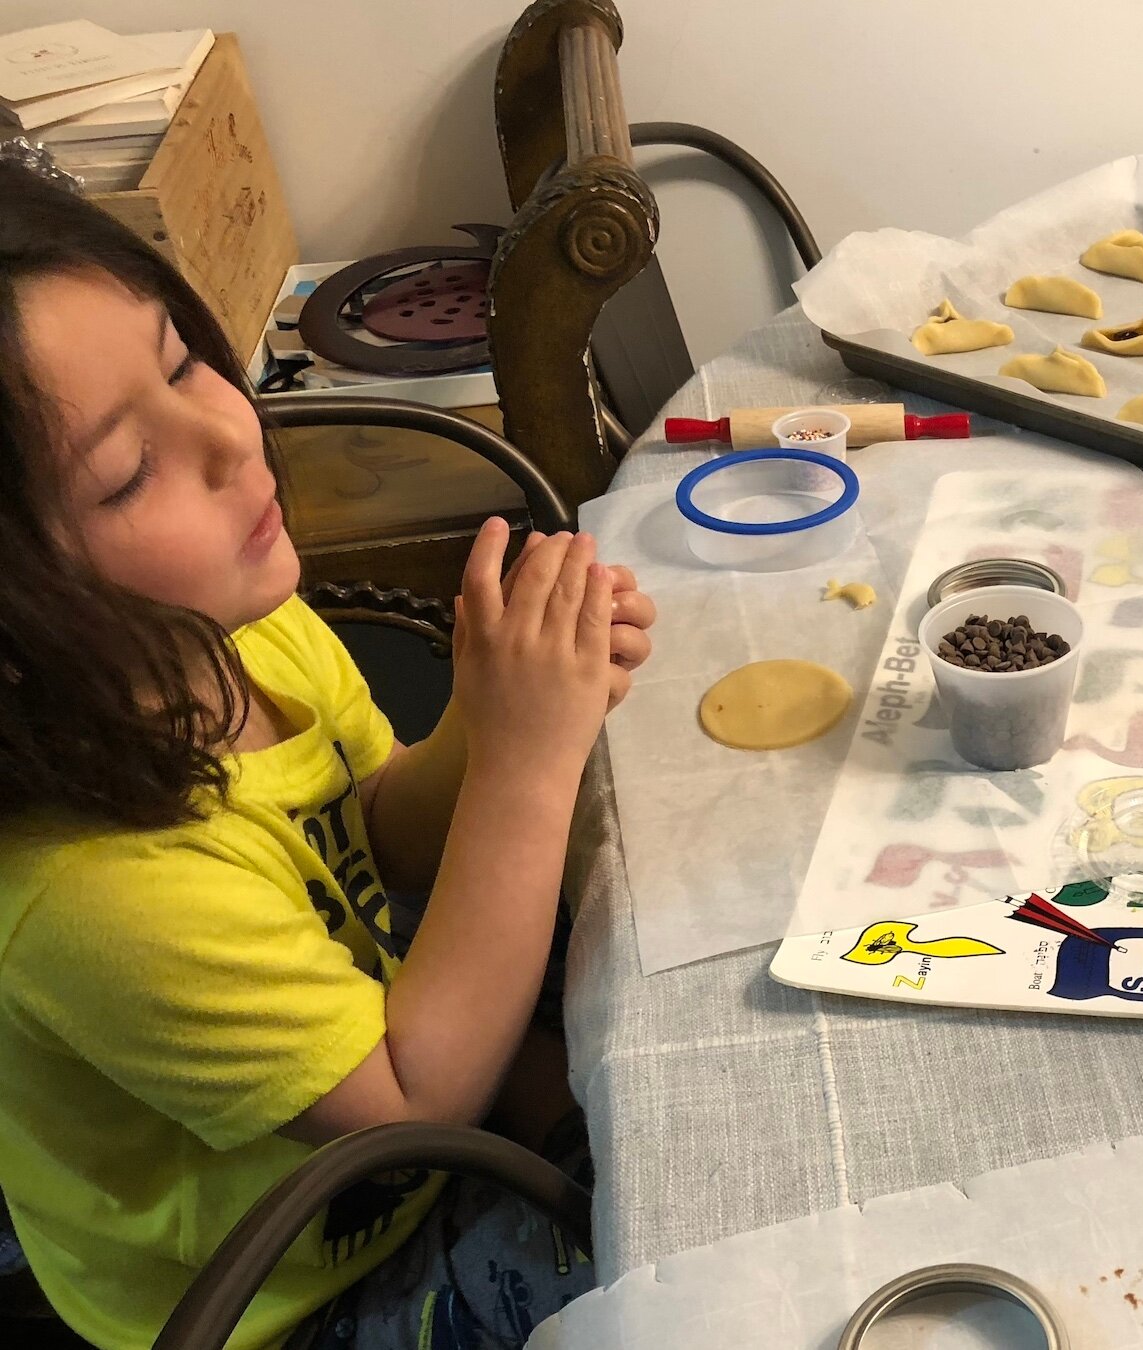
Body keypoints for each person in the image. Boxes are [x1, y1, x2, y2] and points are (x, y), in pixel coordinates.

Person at [0, 162, 655, 1349]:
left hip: (377, 1076)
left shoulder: (226, 622)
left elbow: (386, 829)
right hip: (281, 1286)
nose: (226, 433)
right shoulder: (94, 894)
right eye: (125, 473)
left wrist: (494, 707)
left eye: (181, 362)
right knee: (676, 1273)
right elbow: (416, 1099)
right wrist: (523, 759)